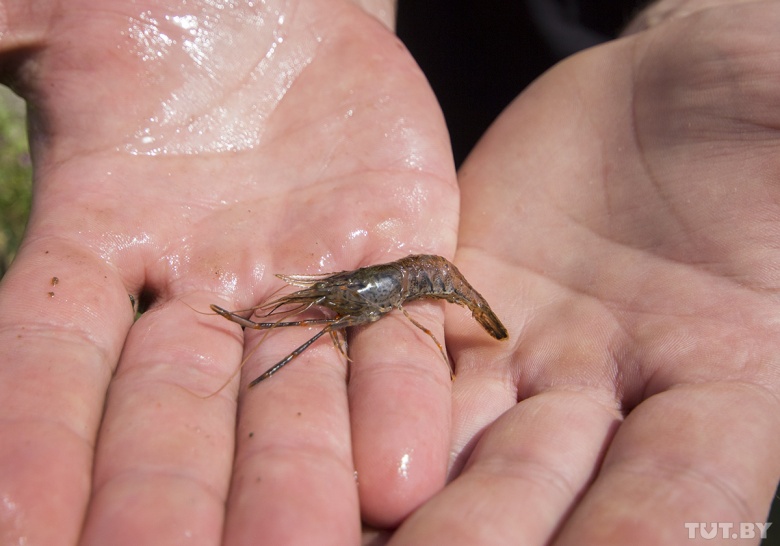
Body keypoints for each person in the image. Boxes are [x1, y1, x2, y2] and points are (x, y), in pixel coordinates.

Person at [0, 0, 776, 545]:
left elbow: (359, 303)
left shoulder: (413, 287)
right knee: (327, 310)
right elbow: (342, 292)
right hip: (401, 90)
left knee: (324, 333)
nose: (321, 305)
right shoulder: (356, 272)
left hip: (560, 150)